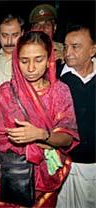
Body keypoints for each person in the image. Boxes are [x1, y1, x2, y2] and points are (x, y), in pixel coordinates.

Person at [0, 31, 79, 207]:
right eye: (24, 61)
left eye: (39, 59)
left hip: (47, 176)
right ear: (16, 60)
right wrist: (31, 146)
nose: (31, 68)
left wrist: (41, 135)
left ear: (49, 58)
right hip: (15, 174)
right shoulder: (6, 93)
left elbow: (68, 137)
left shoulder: (59, 91)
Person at [56, 24, 96, 208]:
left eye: (75, 46)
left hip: (92, 168)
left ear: (93, 50)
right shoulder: (55, 77)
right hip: (60, 165)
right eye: (65, 46)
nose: (68, 52)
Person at [0, 13, 24, 87]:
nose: (9, 41)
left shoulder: (30, 59)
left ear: (22, 34)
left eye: (15, 35)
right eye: (5, 36)